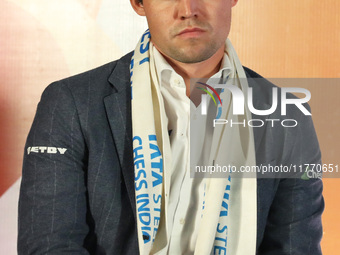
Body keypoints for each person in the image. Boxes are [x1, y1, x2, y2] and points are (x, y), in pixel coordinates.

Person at [18, 0, 324, 254]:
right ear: (138, 3)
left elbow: (295, 248)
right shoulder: (70, 103)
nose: (188, 8)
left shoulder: (289, 117)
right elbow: (49, 246)